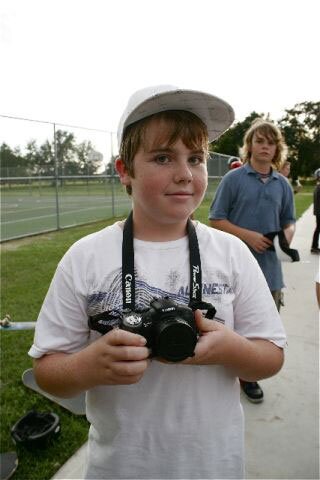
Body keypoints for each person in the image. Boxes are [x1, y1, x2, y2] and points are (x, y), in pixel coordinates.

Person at [29, 86, 286, 480]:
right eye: (163, 157)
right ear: (124, 171)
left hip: (214, 466)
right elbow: (48, 371)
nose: (184, 174)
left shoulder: (231, 254)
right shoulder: (85, 258)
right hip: (120, 467)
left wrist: (229, 348)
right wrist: (89, 365)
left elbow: (271, 357)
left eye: (195, 158)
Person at [209, 119, 295, 404]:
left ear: (277, 148)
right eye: (260, 141)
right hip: (232, 269)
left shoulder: (282, 184)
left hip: (270, 269)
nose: (265, 147)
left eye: (271, 142)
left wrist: (287, 236)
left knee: (262, 328)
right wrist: (248, 236)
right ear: (250, 146)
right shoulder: (233, 180)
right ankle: (230, 372)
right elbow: (216, 219)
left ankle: (249, 375)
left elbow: (288, 221)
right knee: (232, 323)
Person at [311, 168, 320, 254]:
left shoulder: (317, 186)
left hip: (318, 212)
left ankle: (314, 246)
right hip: (319, 212)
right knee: (318, 229)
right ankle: (314, 247)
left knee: (318, 229)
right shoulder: (319, 187)